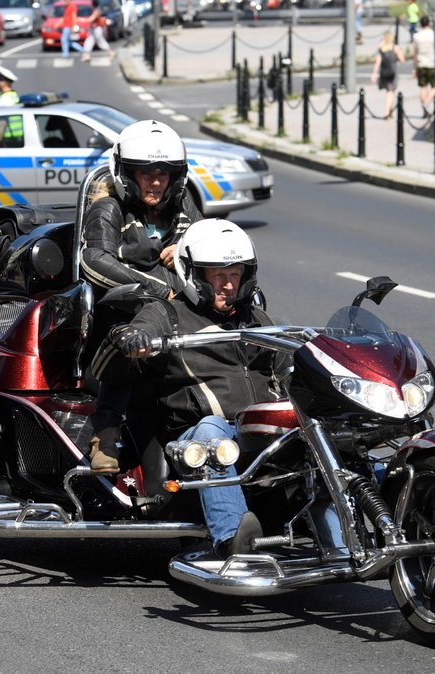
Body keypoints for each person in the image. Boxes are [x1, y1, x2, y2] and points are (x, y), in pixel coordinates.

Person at [89, 219, 287, 558]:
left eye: (235, 275)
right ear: (195, 275)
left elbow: (285, 371)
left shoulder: (256, 320)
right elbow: (138, 331)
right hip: (195, 437)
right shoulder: (168, 313)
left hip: (255, 429)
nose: (228, 285)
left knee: (318, 432)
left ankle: (352, 541)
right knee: (212, 431)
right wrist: (131, 337)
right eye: (218, 276)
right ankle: (232, 541)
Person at [81, 119, 201, 301]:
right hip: (129, 316)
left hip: (184, 312)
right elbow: (95, 260)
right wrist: (157, 291)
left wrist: (184, 251)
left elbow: (211, 243)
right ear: (127, 174)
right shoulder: (108, 209)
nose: (156, 182)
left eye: (163, 173)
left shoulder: (183, 207)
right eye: (146, 173)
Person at [371, 31, 404, 120]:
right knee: (390, 92)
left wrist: (374, 73)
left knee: (389, 92)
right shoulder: (395, 48)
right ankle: (386, 112)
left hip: (384, 72)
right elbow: (402, 60)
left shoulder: (381, 48)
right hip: (392, 72)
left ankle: (390, 111)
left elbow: (377, 62)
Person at [411, 15, 435, 118]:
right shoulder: (433, 34)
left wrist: (414, 67)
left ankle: (425, 111)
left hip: (421, 63)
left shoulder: (417, 36)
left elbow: (414, 53)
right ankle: (428, 101)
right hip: (432, 63)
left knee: (423, 87)